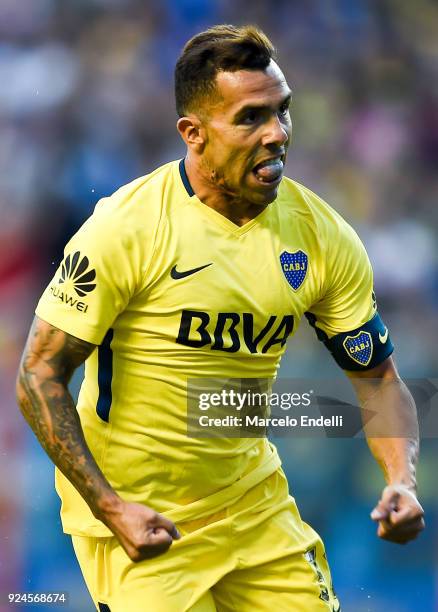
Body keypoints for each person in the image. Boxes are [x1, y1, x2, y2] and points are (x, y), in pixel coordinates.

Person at [16, 25, 424, 612]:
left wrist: (401, 482)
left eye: (283, 112)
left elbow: (378, 380)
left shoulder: (323, 238)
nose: (277, 134)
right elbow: (38, 375)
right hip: (142, 523)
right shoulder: (124, 228)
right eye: (251, 118)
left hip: (254, 508)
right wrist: (111, 509)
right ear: (194, 134)